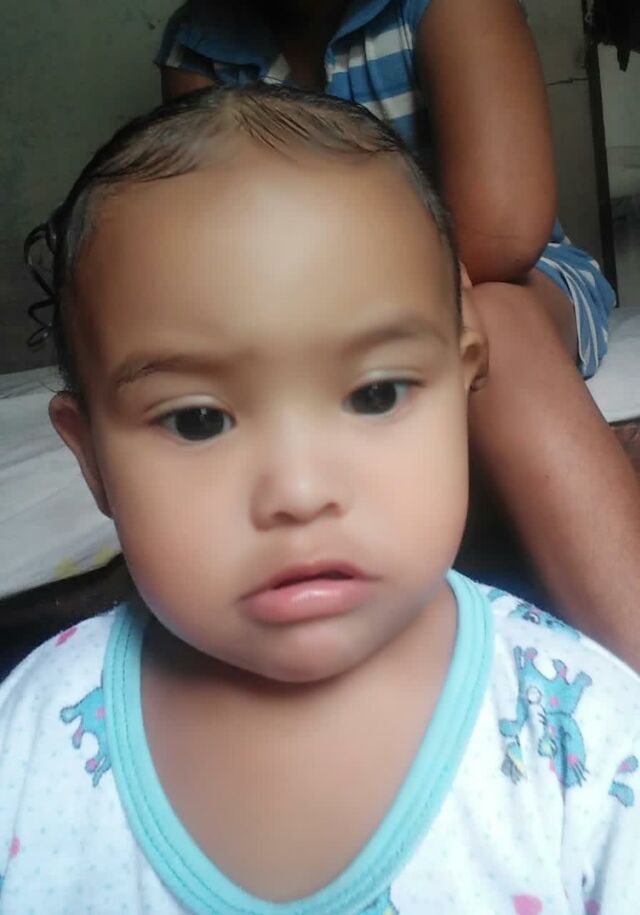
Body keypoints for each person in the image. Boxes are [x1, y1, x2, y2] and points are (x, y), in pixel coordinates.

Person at [2, 85, 640, 913]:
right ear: (90, 458)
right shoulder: (30, 739)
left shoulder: (583, 735)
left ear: (463, 382)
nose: (299, 493)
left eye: (375, 395)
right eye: (198, 419)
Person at [155, 0, 640, 667]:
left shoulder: (448, 10)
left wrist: (338, 310)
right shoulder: (202, 43)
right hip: (297, 323)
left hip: (495, 280)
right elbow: (207, 247)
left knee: (489, 324)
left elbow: (502, 231)